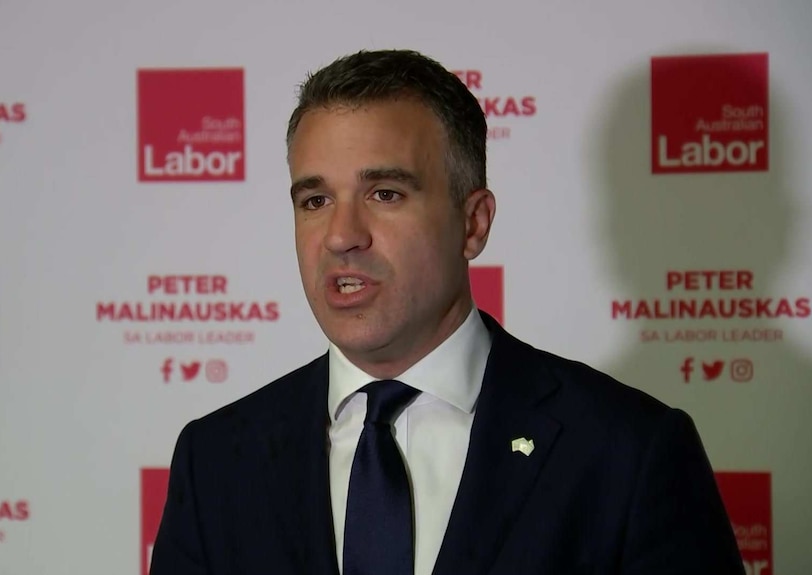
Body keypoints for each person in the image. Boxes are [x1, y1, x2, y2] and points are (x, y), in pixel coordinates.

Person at [150, 49, 744, 575]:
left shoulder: (628, 453)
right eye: (315, 199)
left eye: (385, 193)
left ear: (473, 222)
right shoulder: (216, 462)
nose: (341, 235)